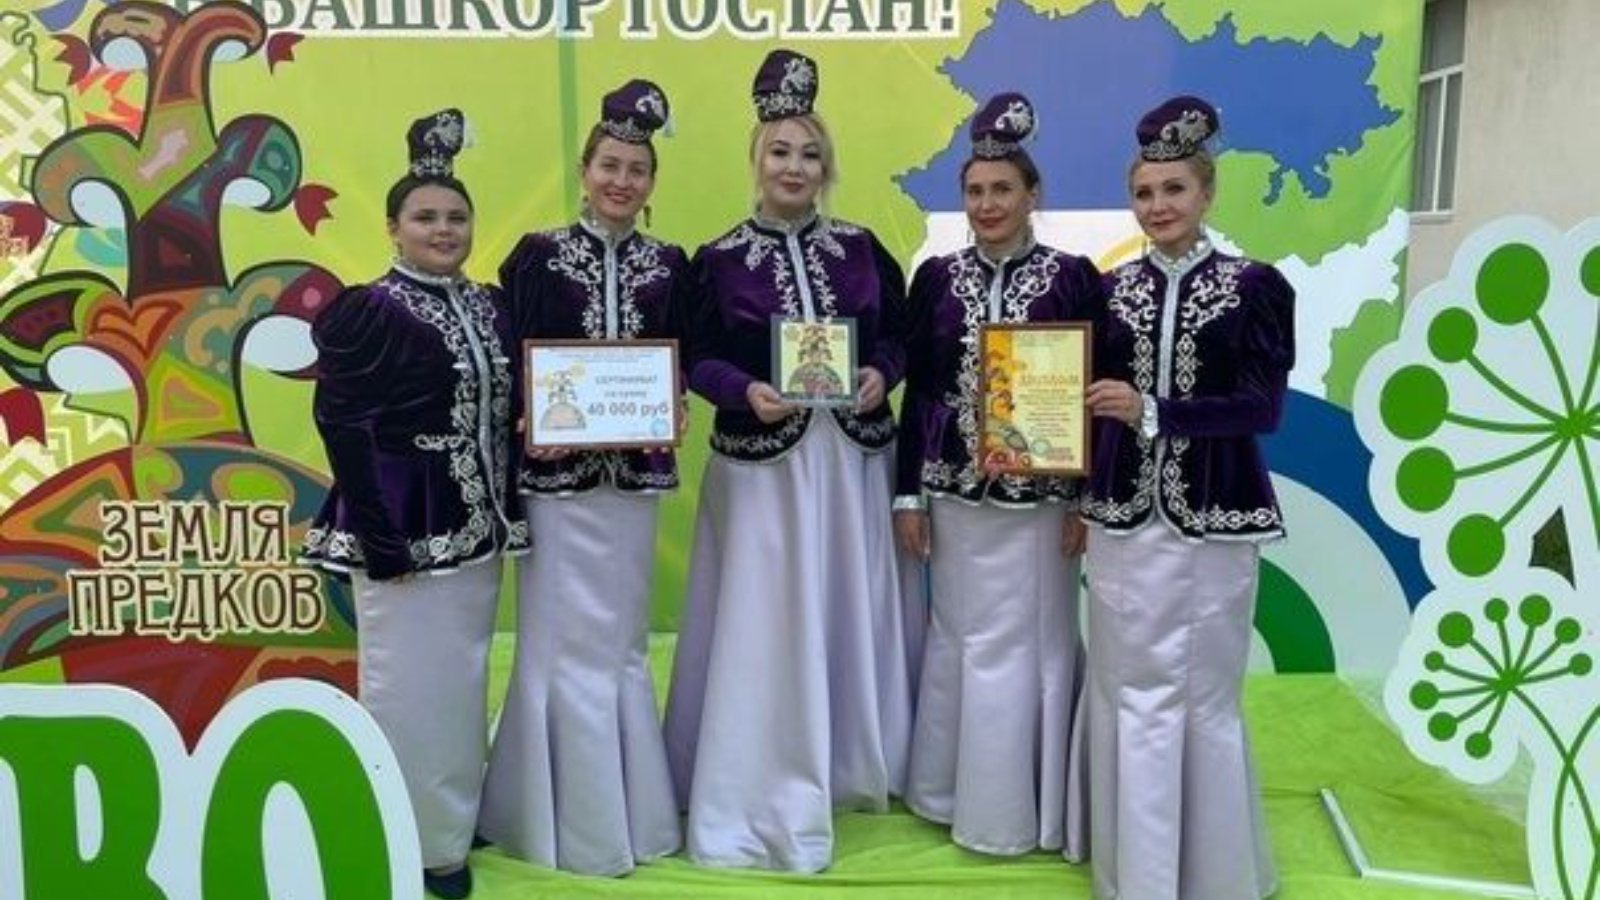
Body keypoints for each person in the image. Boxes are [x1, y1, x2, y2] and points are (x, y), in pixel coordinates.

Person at [662, 48, 914, 873]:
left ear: (826, 166)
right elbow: (693, 359)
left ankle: (852, 761)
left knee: (846, 599)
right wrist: (742, 390)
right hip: (762, 469)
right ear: (756, 158)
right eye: (780, 151)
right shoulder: (715, 260)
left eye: (810, 153)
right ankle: (760, 772)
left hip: (852, 464)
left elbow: (901, 337)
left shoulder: (864, 249)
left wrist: (882, 374)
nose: (794, 167)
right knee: (765, 615)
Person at [302, 108, 529, 900]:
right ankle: (413, 843)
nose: (443, 229)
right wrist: (381, 536)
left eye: (456, 217)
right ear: (393, 228)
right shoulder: (370, 308)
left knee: (461, 683)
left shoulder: (491, 305)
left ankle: (451, 817)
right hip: (402, 529)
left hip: (476, 528)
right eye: (425, 217)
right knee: (408, 691)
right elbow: (342, 425)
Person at [1080, 95, 1295, 900]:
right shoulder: (1108, 292)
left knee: (1204, 694)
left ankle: (1212, 874)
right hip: (1121, 518)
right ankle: (1134, 874)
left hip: (1215, 517)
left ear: (1206, 192)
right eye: (1144, 193)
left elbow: (1261, 409)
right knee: (1125, 689)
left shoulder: (1257, 288)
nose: (1158, 205)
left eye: (1173, 189)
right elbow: (1073, 397)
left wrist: (1155, 411)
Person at [476, 79, 685, 876]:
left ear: (652, 182)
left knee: (621, 639)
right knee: (556, 638)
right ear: (584, 170)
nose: (621, 181)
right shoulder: (534, 257)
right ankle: (543, 814)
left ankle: (630, 812)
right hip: (557, 487)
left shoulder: (669, 264)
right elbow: (511, 359)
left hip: (633, 482)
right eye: (609, 166)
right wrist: (531, 417)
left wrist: (675, 402)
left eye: (637, 169)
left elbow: (685, 356)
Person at [893, 92, 1100, 859]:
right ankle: (949, 793)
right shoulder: (934, 278)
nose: (987, 204)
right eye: (975, 191)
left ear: (1032, 194)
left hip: (1042, 503)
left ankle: (1028, 805)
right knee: (959, 636)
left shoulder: (1074, 278)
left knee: (1038, 642)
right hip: (956, 495)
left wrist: (1085, 498)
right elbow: (920, 392)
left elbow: (1090, 395)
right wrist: (909, 494)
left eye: (1002, 189)